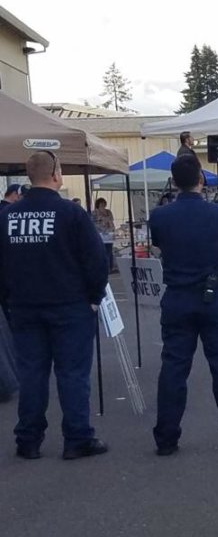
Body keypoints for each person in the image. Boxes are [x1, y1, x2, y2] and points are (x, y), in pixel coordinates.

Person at [0, 151, 109, 460]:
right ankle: (77, 438)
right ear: (57, 174)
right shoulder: (71, 214)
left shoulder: (7, 216)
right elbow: (96, 260)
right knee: (72, 374)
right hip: (69, 307)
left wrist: (7, 300)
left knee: (32, 374)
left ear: (28, 176)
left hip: (24, 307)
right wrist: (94, 297)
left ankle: (28, 440)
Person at [149, 154, 218, 456]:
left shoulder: (160, 216)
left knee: (173, 366)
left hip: (178, 295)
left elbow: (159, 246)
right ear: (201, 179)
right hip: (214, 293)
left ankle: (166, 437)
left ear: (174, 181)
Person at [92, 198, 116, 273]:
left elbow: (111, 221)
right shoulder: (94, 213)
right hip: (100, 234)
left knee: (109, 250)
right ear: (98, 204)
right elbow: (93, 224)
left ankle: (110, 267)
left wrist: (112, 229)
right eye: (101, 203)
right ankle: (105, 268)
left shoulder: (108, 212)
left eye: (104, 203)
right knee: (102, 251)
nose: (103, 205)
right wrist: (102, 229)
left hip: (109, 233)